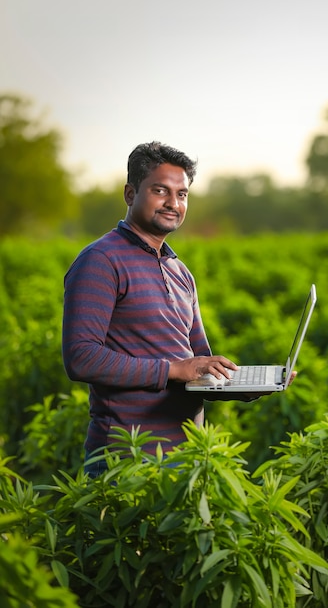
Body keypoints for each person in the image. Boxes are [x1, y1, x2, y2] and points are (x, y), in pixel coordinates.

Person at [63, 141, 259, 476]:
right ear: (129, 193)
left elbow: (197, 366)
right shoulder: (101, 260)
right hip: (127, 458)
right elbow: (81, 357)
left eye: (182, 194)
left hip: (188, 456)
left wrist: (243, 386)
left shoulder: (180, 271)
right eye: (160, 191)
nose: (173, 203)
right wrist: (172, 370)